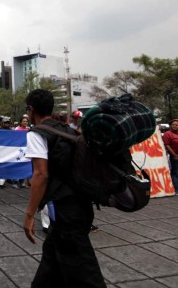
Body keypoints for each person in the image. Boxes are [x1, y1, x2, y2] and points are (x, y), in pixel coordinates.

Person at [23, 89, 105, 287]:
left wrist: (29, 215)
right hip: (82, 204)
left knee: (86, 270)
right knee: (51, 256)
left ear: (31, 109)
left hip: (67, 210)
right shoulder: (69, 130)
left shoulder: (37, 133)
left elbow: (41, 175)